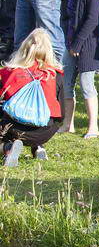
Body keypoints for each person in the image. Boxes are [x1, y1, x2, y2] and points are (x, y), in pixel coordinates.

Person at [58, 0, 99, 137]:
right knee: (66, 83)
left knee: (87, 84)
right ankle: (67, 124)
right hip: (70, 41)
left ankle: (93, 127)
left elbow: (92, 20)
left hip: (88, 44)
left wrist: (78, 43)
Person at [0, 28, 63, 166]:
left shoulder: (9, 72)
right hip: (45, 131)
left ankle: (7, 148)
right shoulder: (55, 75)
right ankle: (38, 147)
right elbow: (61, 112)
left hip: (13, 129)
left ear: (24, 48)